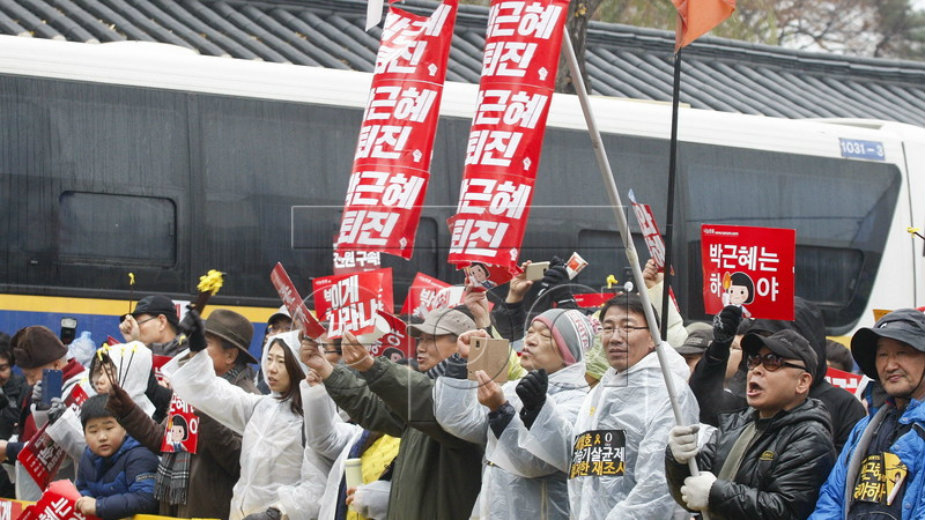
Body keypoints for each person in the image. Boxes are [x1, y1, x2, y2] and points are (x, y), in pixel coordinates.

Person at [519, 293, 699, 519]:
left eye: (627, 328)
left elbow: (657, 487)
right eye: (608, 328)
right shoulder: (600, 392)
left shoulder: (668, 394)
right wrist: (539, 411)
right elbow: (577, 458)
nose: (615, 338)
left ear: (653, 337)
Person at [303, 306, 484, 520]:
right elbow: (373, 407)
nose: (421, 348)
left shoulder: (472, 396)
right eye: (420, 340)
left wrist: (370, 366)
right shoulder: (420, 397)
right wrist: (324, 367)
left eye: (430, 339)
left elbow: (428, 401)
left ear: (463, 344)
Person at [434, 308, 595, 519]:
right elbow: (461, 422)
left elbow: (536, 463)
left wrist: (501, 411)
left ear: (569, 353)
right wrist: (461, 362)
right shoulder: (513, 388)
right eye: (530, 332)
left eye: (545, 335)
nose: (531, 340)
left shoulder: (580, 402)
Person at [164, 317, 327, 520]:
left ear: (298, 366)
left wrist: (278, 512)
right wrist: (198, 348)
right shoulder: (259, 407)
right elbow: (210, 389)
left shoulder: (315, 418)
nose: (272, 368)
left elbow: (318, 485)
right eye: (269, 358)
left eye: (281, 361)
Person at [107, 308, 260, 520]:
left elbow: (239, 462)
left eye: (204, 346)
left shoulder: (249, 398)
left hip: (209, 510)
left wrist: (207, 412)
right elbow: (163, 439)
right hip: (174, 505)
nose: (195, 353)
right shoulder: (189, 387)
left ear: (230, 355)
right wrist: (128, 410)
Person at [666, 330, 837, 519]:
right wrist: (679, 461)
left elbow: (786, 511)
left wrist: (715, 493)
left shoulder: (810, 437)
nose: (756, 369)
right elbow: (691, 496)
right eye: (754, 360)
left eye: (772, 361)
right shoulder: (736, 423)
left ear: (802, 382)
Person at [692, 299, 866, 453]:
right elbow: (706, 406)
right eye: (756, 356)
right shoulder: (750, 398)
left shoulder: (844, 406)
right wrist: (719, 346)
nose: (760, 368)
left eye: (773, 358)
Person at [811, 308, 925, 518]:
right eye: (882, 354)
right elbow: (832, 498)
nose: (890, 365)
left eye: (902, 352)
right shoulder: (864, 428)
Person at [1, 325, 91, 500]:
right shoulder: (42, 391)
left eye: (33, 376)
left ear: (56, 365)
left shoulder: (82, 389)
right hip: (39, 493)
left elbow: (60, 451)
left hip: (68, 494)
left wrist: (9, 450)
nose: (29, 382)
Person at [74, 394, 158, 520]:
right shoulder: (87, 456)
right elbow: (82, 489)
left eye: (109, 428)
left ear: (124, 427)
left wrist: (99, 506)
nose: (102, 437)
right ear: (85, 435)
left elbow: (145, 499)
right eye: (93, 431)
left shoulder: (140, 455)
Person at [118, 294, 183, 421]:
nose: (134, 328)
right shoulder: (141, 350)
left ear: (162, 322)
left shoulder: (188, 355)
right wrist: (134, 344)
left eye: (139, 323)